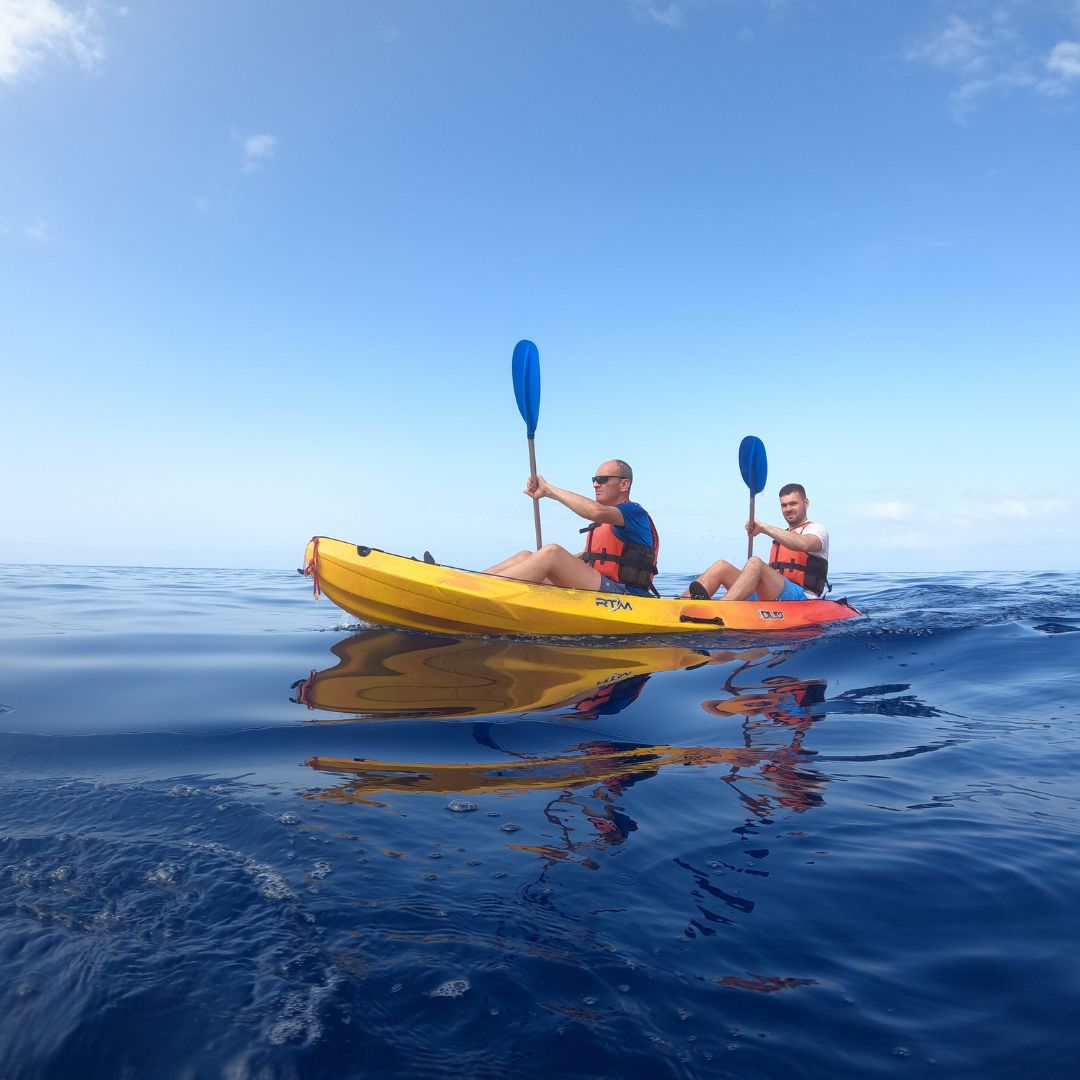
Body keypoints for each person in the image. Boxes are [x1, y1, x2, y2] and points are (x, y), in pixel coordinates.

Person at [484, 459, 659, 596]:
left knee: (552, 553)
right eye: (594, 479)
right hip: (599, 584)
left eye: (603, 479)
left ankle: (485, 594)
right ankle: (473, 584)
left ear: (624, 484)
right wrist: (541, 561)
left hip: (624, 594)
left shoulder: (633, 512)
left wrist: (548, 490)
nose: (595, 484)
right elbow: (591, 556)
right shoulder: (609, 520)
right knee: (526, 556)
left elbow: (595, 511)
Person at [682, 483, 829, 602]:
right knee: (721, 566)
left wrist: (763, 527)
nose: (788, 509)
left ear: (806, 503)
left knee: (755, 563)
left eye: (793, 504)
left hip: (803, 597)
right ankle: (682, 605)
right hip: (774, 593)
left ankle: (721, 609)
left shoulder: (816, 529)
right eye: (784, 505)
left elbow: (803, 543)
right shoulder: (783, 534)